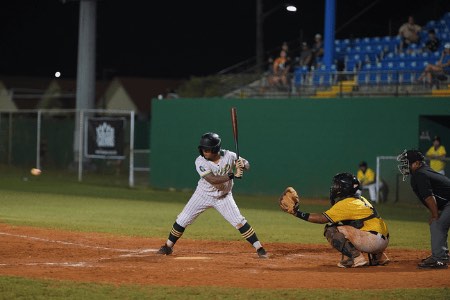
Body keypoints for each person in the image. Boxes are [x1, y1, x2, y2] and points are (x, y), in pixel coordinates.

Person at [157, 132, 268, 258]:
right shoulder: (200, 161)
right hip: (202, 195)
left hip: (224, 197)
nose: (204, 152)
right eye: (203, 149)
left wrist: (243, 164)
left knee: (239, 221)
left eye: (207, 149)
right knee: (183, 219)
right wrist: (233, 175)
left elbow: (247, 164)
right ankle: (167, 247)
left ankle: (259, 248)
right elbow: (213, 179)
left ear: (215, 149)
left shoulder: (230, 155)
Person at [283, 172, 390, 268]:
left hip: (372, 240)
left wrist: (297, 213)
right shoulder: (361, 199)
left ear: (344, 188)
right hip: (382, 240)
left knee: (330, 230)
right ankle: (378, 257)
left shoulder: (346, 203)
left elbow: (322, 218)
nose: (335, 188)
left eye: (337, 185)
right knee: (349, 224)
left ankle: (357, 258)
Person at [397, 150, 450, 269]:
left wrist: (435, 215)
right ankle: (442, 255)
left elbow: (429, 197)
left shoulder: (420, 174)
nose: (405, 166)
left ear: (417, 163)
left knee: (437, 224)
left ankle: (438, 260)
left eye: (407, 163)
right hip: (447, 203)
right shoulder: (423, 171)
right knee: (438, 224)